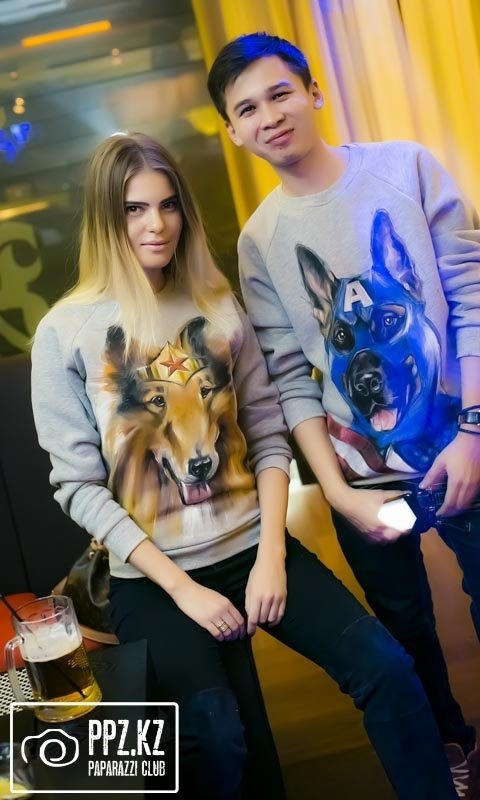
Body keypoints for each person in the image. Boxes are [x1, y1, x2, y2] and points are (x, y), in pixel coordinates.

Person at [30, 132, 458, 800]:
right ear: (106, 217)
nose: (156, 224)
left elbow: (265, 429)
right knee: (218, 737)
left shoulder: (215, 304)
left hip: (252, 547)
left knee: (387, 670)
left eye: (168, 205)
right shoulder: (65, 331)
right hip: (154, 581)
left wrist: (271, 557)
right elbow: (77, 486)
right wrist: (183, 590)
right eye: (134, 209)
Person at [207, 32, 480, 800]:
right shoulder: (259, 241)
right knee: (405, 630)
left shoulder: (405, 168)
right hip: (362, 477)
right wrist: (337, 492)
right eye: (246, 109)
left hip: (465, 443)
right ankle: (450, 745)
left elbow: (469, 294)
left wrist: (473, 431)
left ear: (313, 93)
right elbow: (289, 377)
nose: (268, 116)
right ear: (232, 132)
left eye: (279, 93)